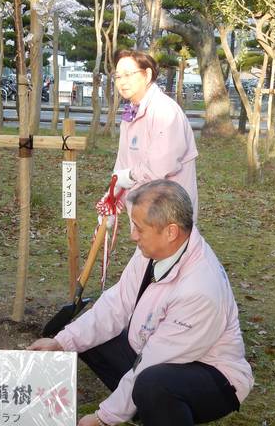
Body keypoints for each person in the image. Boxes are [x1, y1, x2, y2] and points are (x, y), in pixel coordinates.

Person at [30, 180, 253, 426]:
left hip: (213, 376)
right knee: (82, 333)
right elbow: (116, 304)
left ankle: (155, 408)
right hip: (153, 350)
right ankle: (142, 408)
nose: (132, 235)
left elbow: (154, 360)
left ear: (170, 231)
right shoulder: (152, 251)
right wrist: (61, 342)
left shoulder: (200, 289)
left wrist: (103, 418)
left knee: (153, 384)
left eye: (138, 228)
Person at [105, 50, 199, 223]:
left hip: (169, 214)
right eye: (118, 76)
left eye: (128, 75)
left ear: (147, 75)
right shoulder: (131, 113)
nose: (122, 82)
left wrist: (130, 176)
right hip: (144, 213)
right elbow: (123, 163)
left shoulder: (164, 111)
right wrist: (113, 196)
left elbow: (162, 165)